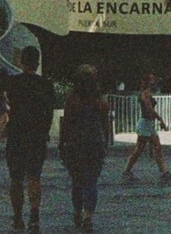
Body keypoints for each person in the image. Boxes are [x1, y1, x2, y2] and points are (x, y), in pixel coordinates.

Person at [1, 46, 55, 233]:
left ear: (21, 61)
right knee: (34, 177)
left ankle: (17, 217)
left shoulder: (13, 83)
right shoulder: (46, 85)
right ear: (37, 62)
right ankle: (34, 216)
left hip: (16, 136)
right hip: (37, 136)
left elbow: (7, 107)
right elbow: (49, 113)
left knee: (16, 179)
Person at [60, 64, 112, 231]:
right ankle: (88, 215)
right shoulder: (100, 100)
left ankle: (77, 212)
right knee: (91, 182)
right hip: (95, 144)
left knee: (77, 182)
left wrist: (62, 143)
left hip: (75, 144)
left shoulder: (72, 99)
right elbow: (105, 124)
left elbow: (66, 123)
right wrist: (107, 142)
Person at [121, 72, 171, 182]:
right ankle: (163, 172)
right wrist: (160, 119)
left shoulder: (145, 93)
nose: (154, 81)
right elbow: (149, 109)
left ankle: (163, 171)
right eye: (152, 79)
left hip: (148, 124)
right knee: (149, 148)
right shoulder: (145, 94)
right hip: (146, 124)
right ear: (148, 81)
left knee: (146, 148)